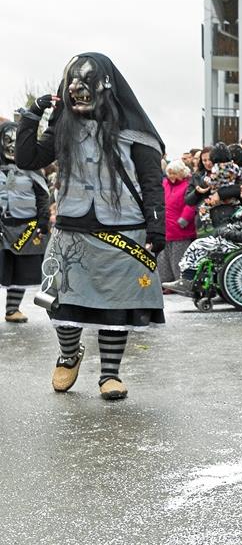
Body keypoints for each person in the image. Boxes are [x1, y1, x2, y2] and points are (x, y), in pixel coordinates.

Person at [15, 52, 166, 401]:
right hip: (71, 231)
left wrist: (157, 231)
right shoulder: (62, 127)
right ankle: (69, 354)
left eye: (87, 79)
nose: (78, 87)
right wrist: (32, 115)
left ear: (107, 85)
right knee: (60, 303)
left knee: (116, 307)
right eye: (73, 79)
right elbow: (27, 159)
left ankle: (110, 374)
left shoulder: (136, 133)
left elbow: (152, 182)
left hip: (124, 231)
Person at [163, 172, 242, 294]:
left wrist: (222, 231)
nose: (241, 186)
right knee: (200, 245)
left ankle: (188, 281)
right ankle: (189, 279)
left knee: (199, 245)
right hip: (237, 241)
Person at [1, 120, 50, 322]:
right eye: (7, 140)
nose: (12, 145)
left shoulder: (33, 170)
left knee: (21, 270)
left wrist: (43, 221)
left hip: (26, 229)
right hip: (3, 226)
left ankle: (12, 309)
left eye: (16, 140)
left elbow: (43, 197)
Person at [159, 159, 197, 285]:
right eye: (169, 173)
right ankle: (165, 282)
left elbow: (191, 204)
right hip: (166, 228)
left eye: (174, 173)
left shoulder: (188, 185)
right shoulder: (164, 184)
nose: (171, 176)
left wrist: (184, 219)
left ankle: (181, 282)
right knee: (164, 259)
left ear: (182, 172)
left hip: (181, 230)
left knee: (178, 259)